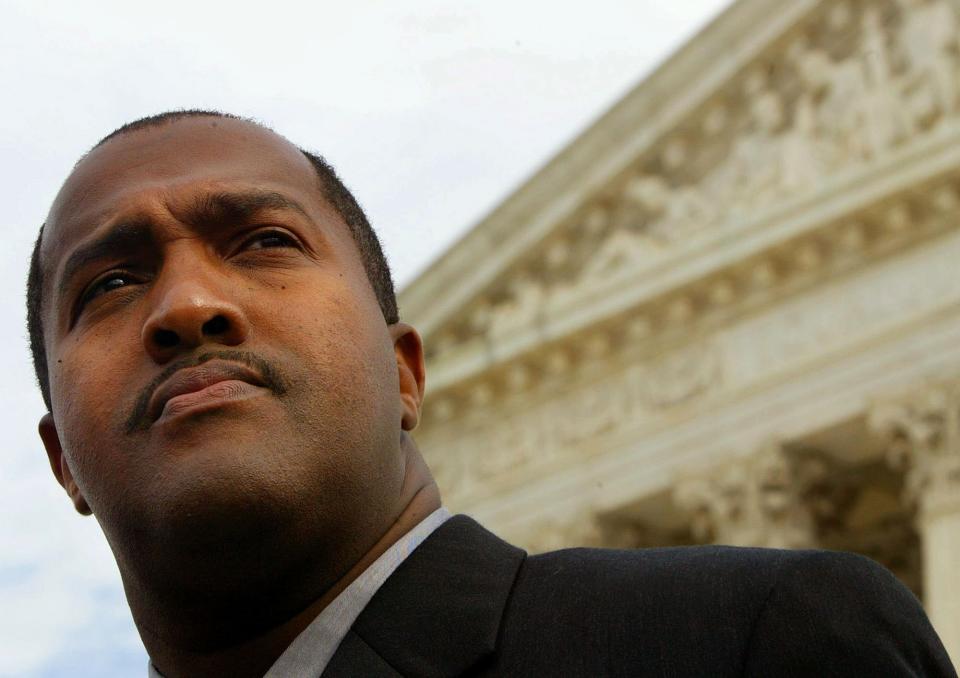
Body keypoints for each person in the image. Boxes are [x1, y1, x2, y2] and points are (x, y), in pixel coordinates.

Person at [28, 110, 955, 677]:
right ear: (62, 461)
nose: (188, 305)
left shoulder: (759, 643)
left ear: (405, 375)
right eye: (108, 285)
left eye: (264, 241)